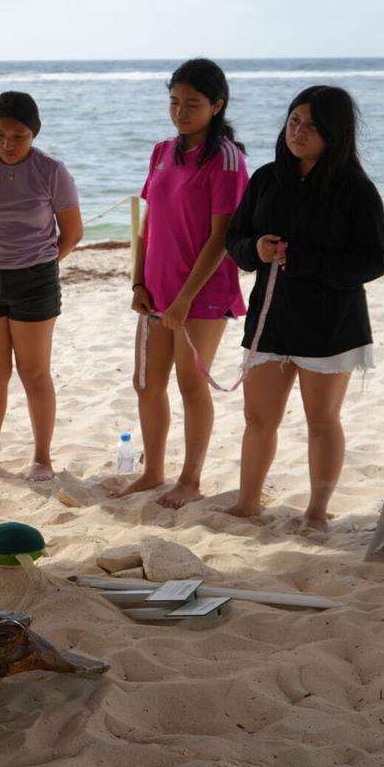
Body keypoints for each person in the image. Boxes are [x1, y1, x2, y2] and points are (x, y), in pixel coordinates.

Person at [223, 86, 384, 531]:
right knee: (258, 417)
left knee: (322, 420)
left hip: (330, 320)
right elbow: (234, 240)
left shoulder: (355, 189)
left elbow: (375, 260)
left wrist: (309, 262)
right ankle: (247, 502)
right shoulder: (265, 178)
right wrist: (254, 248)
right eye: (294, 120)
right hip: (271, 316)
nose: (299, 131)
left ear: (335, 133)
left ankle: (317, 510)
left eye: (312, 125)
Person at [110, 59, 248, 508]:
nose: (181, 112)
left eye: (192, 103)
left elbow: (221, 237)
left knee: (192, 384)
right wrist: (136, 282)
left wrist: (185, 299)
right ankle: (152, 471)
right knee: (147, 383)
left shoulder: (226, 158)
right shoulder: (161, 151)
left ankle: (190, 480)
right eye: (174, 101)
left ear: (217, 105)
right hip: (156, 289)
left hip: (203, 294)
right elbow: (149, 224)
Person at [0, 91, 83, 482]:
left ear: (34, 133)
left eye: (19, 136)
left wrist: (35, 262)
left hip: (36, 280)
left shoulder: (52, 171)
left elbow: (72, 233)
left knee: (34, 372)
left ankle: (42, 458)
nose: (8, 144)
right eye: (0, 135)